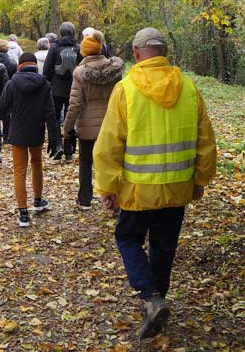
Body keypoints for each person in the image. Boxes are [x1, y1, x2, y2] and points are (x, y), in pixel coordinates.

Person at [93, 27, 217, 340]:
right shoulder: (188, 88)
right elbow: (206, 141)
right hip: (177, 188)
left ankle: (149, 297)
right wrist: (199, 179)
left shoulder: (126, 89)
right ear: (164, 53)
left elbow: (108, 145)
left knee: (127, 238)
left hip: (138, 189)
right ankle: (157, 300)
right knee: (164, 245)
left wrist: (107, 187)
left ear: (136, 54)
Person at [62, 30, 123, 209]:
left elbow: (75, 104)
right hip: (111, 124)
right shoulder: (115, 71)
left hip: (88, 127)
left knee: (86, 163)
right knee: (112, 162)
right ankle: (114, 199)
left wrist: (67, 128)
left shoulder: (80, 72)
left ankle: (85, 199)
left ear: (84, 52)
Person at [0, 52, 59, 228]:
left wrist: (11, 118)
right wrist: (54, 137)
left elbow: (1, 108)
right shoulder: (44, 84)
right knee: (37, 163)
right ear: (35, 65)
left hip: (18, 131)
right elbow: (50, 112)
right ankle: (38, 201)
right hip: (36, 130)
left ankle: (23, 212)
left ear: (19, 66)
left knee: (19, 170)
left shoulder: (12, 84)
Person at [42, 21, 81, 160]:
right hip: (74, 88)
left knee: (54, 118)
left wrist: (46, 84)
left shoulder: (54, 48)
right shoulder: (79, 48)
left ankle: (57, 145)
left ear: (61, 32)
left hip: (56, 89)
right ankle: (69, 149)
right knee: (70, 118)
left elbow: (46, 69)